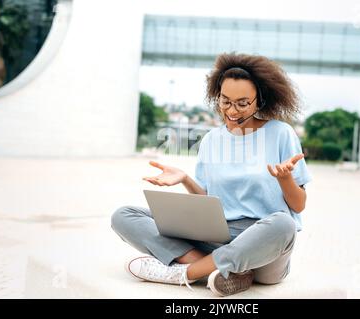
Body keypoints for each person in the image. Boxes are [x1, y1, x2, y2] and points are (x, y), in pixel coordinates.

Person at [111, 52, 312, 297]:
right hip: (217, 235)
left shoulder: (281, 133)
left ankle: (187, 272)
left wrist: (284, 179)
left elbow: (298, 206)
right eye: (225, 101)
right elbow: (208, 199)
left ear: (259, 101)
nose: (232, 110)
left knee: (284, 223)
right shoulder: (212, 140)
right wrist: (185, 178)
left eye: (242, 103)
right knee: (124, 216)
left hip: (262, 247)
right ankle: (223, 272)